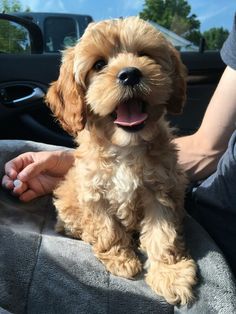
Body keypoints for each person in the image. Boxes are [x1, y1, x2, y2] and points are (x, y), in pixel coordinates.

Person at [2, 15, 236, 276]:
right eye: (99, 64)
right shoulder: (88, 155)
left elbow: (163, 199)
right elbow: (207, 146)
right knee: (83, 210)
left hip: (219, 227)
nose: (128, 70)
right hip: (104, 230)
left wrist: (166, 261)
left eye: (144, 53)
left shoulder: (162, 150)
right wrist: (112, 248)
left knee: (164, 200)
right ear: (75, 91)